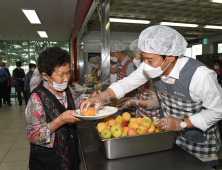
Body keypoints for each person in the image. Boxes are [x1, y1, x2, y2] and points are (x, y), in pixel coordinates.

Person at [81, 25, 222, 168]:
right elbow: (127, 83)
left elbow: (217, 111)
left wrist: (181, 123)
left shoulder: (201, 76)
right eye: (143, 59)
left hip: (199, 140)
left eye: (150, 60)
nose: (145, 64)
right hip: (171, 136)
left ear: (170, 57)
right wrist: (103, 96)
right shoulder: (152, 66)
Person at [26, 47, 82, 170]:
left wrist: (92, 99)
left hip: (71, 155)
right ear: (46, 76)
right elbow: (33, 135)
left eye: (68, 72)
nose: (67, 78)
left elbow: (77, 103)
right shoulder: (37, 98)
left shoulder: (67, 90)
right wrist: (60, 120)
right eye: (61, 75)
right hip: (50, 162)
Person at [117, 39, 160, 117]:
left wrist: (135, 101)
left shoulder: (152, 75)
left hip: (150, 117)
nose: (134, 59)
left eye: (135, 55)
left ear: (143, 56)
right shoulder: (141, 73)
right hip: (140, 114)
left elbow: (156, 103)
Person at [109, 40, 137, 114]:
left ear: (117, 53)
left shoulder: (130, 65)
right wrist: (102, 70)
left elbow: (133, 86)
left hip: (129, 100)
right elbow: (113, 70)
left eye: (111, 55)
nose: (111, 57)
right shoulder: (119, 63)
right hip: (121, 97)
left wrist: (118, 93)